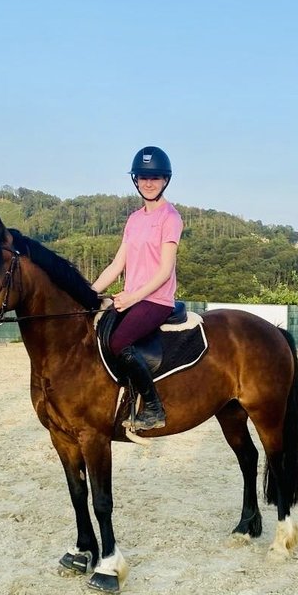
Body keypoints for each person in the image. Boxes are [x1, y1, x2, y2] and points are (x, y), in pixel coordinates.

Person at [91, 146, 182, 430]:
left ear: (165, 180)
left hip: (156, 300)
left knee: (118, 342)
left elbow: (165, 271)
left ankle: (153, 407)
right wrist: (86, 293)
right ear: (136, 180)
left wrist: (132, 297)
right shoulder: (133, 219)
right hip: (131, 298)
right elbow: (117, 265)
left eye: (154, 177)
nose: (148, 182)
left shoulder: (171, 217)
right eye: (143, 177)